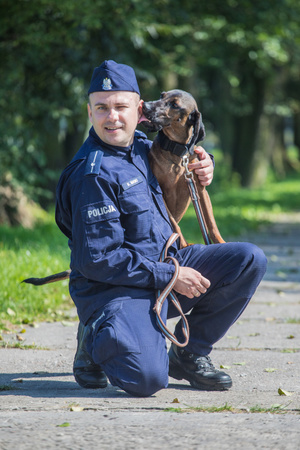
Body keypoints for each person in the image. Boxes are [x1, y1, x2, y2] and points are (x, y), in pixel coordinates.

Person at [55, 60, 267, 397]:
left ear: (139, 110)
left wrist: (204, 163)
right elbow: (99, 260)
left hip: (163, 270)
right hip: (117, 289)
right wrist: (171, 277)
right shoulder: (92, 174)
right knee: (148, 379)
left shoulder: (140, 146)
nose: (112, 117)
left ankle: (189, 354)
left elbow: (180, 149)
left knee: (248, 259)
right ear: (90, 111)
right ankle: (96, 334)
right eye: (102, 108)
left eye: (121, 107)